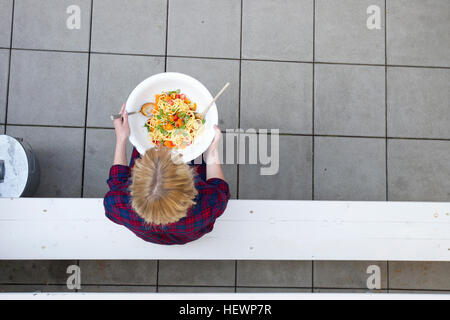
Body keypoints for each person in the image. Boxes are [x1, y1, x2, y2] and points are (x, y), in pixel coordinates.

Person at [103, 105, 230, 245]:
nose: (164, 147)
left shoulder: (115, 203)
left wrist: (121, 138)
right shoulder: (209, 203)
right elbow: (219, 187)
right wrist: (212, 149)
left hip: (150, 235)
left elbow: (117, 180)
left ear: (133, 185)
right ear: (190, 183)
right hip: (189, 232)